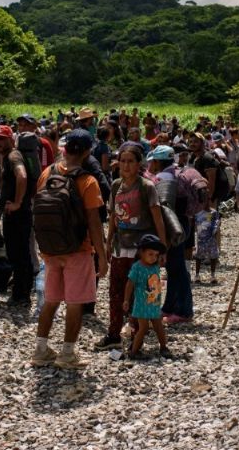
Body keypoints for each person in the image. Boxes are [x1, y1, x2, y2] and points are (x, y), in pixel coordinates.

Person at [31, 130, 107, 370]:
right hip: (78, 250)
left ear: (64, 149)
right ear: (86, 152)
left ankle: (40, 350)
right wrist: (102, 256)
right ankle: (67, 353)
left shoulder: (46, 174)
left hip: (50, 249)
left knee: (51, 300)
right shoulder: (88, 181)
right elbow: (94, 223)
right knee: (75, 303)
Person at [95, 144, 166, 351]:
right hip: (120, 247)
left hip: (141, 250)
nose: (126, 166)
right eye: (123, 161)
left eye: (130, 161)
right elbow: (113, 217)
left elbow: (157, 219)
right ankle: (114, 333)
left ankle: (138, 333)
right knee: (116, 292)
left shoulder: (146, 187)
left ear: (139, 164)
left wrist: (162, 249)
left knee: (141, 293)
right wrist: (108, 243)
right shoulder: (116, 186)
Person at [146, 145, 193, 324]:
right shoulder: (177, 172)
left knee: (177, 269)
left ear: (157, 161)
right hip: (183, 223)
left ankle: (183, 311)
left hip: (173, 226)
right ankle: (170, 307)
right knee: (175, 268)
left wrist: (164, 235)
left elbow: (166, 208)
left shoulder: (163, 177)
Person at [0, 125, 33, 304]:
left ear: (10, 139)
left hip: (18, 215)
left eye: (1, 138)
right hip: (15, 214)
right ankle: (20, 294)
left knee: (19, 254)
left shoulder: (13, 155)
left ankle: (22, 295)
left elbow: (22, 176)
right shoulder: (5, 157)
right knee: (17, 254)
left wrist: (17, 203)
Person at [123, 234, 172, 359]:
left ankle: (163, 347)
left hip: (154, 303)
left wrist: (162, 254)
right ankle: (134, 351)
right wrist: (126, 300)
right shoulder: (137, 267)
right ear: (141, 253)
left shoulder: (156, 266)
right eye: (150, 254)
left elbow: (164, 255)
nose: (153, 258)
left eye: (156, 255)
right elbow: (130, 284)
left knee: (158, 326)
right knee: (143, 328)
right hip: (141, 304)